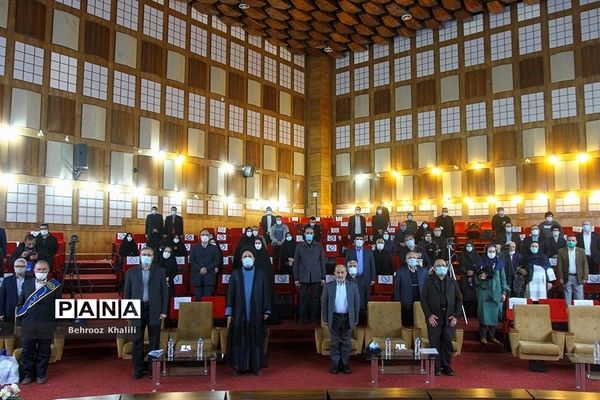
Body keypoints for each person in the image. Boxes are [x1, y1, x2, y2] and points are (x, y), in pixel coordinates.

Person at [123, 247, 168, 380]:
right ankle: (138, 370)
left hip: (154, 309)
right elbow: (127, 293)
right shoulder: (131, 272)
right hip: (137, 309)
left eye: (149, 255)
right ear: (140, 256)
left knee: (154, 342)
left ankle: (152, 370)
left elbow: (165, 293)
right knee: (137, 341)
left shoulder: (160, 271)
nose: (146, 257)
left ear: (153, 257)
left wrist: (164, 311)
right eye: (144, 255)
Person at [226, 248, 271, 376]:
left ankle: (255, 367)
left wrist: (267, 309)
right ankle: (238, 367)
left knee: (255, 340)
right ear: (241, 259)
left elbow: (265, 293)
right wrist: (229, 311)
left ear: (254, 259)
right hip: (239, 312)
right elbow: (230, 294)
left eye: (249, 256)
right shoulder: (235, 274)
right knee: (239, 340)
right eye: (245, 256)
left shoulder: (260, 274)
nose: (247, 257)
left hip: (256, 312)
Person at [16, 260, 62, 384]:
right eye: (39, 269)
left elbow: (59, 306)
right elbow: (21, 304)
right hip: (28, 324)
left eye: (44, 269)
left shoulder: (54, 285)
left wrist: (58, 324)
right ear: (34, 270)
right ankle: (28, 375)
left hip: (46, 324)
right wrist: (20, 322)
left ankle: (41, 374)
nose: (41, 272)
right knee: (27, 351)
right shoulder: (27, 284)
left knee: (44, 351)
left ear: (48, 271)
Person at [420, 259, 462, 377]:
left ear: (447, 267)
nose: (441, 267)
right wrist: (429, 315)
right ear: (434, 268)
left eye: (443, 265)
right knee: (435, 342)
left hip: (449, 317)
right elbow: (423, 299)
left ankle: (447, 367)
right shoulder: (429, 282)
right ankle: (436, 368)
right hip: (435, 317)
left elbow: (459, 299)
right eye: (438, 266)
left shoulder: (452, 282)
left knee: (447, 342)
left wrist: (455, 315)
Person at [321, 264, 360, 374]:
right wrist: (325, 319)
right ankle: (335, 365)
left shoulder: (353, 285)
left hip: (348, 317)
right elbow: (324, 304)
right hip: (334, 317)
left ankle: (345, 364)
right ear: (334, 273)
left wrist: (356, 318)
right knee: (334, 342)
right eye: (338, 272)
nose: (340, 275)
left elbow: (357, 303)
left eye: (342, 272)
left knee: (346, 342)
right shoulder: (328, 286)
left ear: (346, 273)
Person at [475, 244, 508, 345]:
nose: (492, 253)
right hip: (484, 292)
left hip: (496, 292)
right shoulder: (480, 263)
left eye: (494, 251)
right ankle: (483, 336)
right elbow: (476, 279)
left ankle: (492, 336)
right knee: (484, 315)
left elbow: (503, 279)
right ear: (486, 252)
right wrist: (481, 277)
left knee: (494, 315)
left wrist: (504, 292)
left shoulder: (500, 263)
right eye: (490, 251)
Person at [293, 226, 326, 324]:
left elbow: (322, 262)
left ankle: (314, 318)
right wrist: (296, 278)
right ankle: (303, 318)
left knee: (315, 299)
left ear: (314, 234)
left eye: (311, 233)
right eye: (307, 233)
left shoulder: (319, 246)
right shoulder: (299, 246)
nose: (309, 234)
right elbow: (296, 263)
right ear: (304, 234)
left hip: (316, 276)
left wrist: (323, 277)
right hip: (303, 276)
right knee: (303, 299)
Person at [344, 235, 375, 323]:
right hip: (352, 277)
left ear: (363, 241)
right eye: (357, 239)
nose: (359, 241)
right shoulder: (349, 251)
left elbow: (372, 265)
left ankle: (363, 316)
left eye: (361, 239)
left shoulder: (368, 251)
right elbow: (346, 264)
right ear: (354, 241)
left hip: (366, 277)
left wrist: (373, 278)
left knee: (364, 297)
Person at [394, 252, 428, 327]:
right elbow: (397, 288)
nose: (412, 259)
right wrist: (397, 302)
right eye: (409, 258)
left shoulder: (424, 271)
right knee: (407, 323)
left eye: (414, 258)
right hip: (406, 301)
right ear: (406, 260)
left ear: (417, 259)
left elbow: (427, 287)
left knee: (419, 323)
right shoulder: (400, 271)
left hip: (420, 300)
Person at [0, 258, 32, 336]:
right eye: (17, 266)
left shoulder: (32, 279)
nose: (19, 268)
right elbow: (1, 298)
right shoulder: (7, 280)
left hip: (27, 313)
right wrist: (1, 313)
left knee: (25, 335)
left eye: (22, 266)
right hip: (10, 313)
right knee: (10, 336)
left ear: (26, 267)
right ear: (14, 267)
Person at [556, 236, 589, 305]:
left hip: (578, 277)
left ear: (576, 242)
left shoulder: (581, 251)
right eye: (569, 240)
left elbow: (585, 265)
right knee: (567, 299)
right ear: (566, 241)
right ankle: (568, 313)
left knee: (579, 299)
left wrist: (585, 277)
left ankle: (579, 314)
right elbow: (559, 265)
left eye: (573, 240)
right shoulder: (561, 251)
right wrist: (560, 277)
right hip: (567, 277)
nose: (571, 242)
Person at [190, 229, 221, 300]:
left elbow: (217, 260)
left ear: (209, 237)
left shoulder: (214, 248)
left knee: (207, 300)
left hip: (209, 277)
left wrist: (207, 269)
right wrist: (199, 269)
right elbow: (192, 261)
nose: (205, 236)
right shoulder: (194, 248)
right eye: (203, 235)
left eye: (207, 235)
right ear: (200, 237)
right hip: (197, 277)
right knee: (198, 301)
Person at [458, 241, 478, 317]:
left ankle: (475, 313)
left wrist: (473, 272)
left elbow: (478, 265)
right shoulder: (462, 256)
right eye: (467, 246)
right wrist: (466, 272)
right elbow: (461, 265)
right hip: (464, 277)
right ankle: (466, 313)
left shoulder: (476, 256)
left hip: (475, 277)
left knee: (475, 294)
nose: (469, 248)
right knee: (466, 294)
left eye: (470, 246)